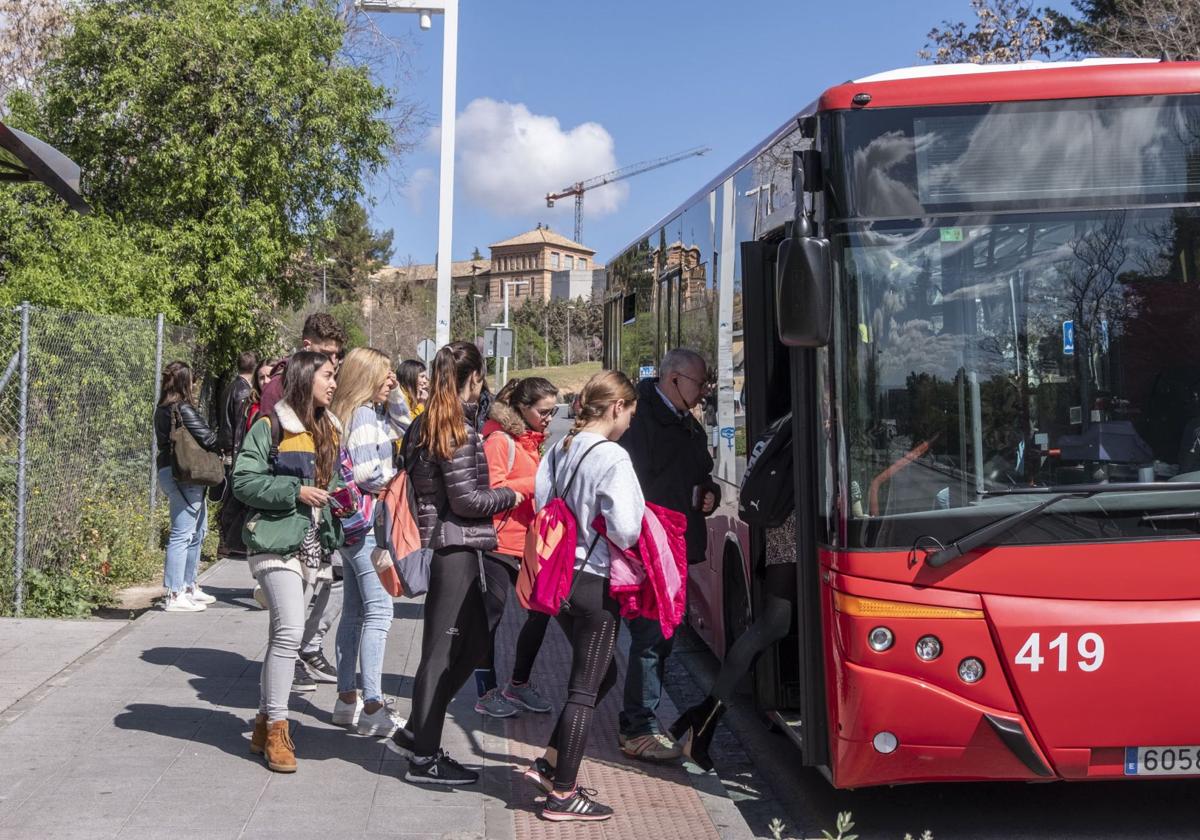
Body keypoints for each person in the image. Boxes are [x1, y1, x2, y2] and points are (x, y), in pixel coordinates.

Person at [386, 341, 521, 785]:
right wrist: (513, 495)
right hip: (453, 548)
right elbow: (466, 500)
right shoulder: (454, 430)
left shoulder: (431, 423)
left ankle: (416, 732)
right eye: (480, 379)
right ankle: (424, 757)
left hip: (454, 546)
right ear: (473, 378)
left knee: (475, 643)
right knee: (441, 653)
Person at [523, 370, 644, 822]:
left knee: (603, 673)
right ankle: (563, 795)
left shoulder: (560, 448)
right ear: (616, 407)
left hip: (559, 581)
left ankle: (552, 763)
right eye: (630, 413)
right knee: (584, 688)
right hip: (594, 583)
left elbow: (541, 506)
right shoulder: (612, 457)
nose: (630, 422)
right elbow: (627, 528)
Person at [234, 351, 346, 773]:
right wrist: (294, 492)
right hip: (273, 542)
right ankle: (278, 728)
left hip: (311, 546)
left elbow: (331, 489)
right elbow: (243, 481)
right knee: (290, 634)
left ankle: (264, 722)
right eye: (328, 376)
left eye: (334, 377)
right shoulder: (271, 424)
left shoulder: (330, 428)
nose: (333, 384)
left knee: (282, 633)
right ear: (305, 378)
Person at [617, 348, 719, 761]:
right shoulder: (641, 420)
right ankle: (637, 728)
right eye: (700, 383)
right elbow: (635, 483)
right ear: (674, 379)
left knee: (663, 636)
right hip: (650, 546)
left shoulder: (683, 419)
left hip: (675, 544)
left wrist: (709, 491)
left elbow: (700, 471)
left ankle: (641, 721)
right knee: (650, 636)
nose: (704, 392)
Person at [255, 314, 348, 690]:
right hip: (287, 519)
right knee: (289, 609)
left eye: (338, 356)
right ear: (306, 348)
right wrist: (295, 490)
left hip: (317, 514)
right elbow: (263, 460)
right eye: (328, 355)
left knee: (331, 583)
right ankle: (289, 659)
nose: (334, 363)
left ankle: (305, 647)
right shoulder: (277, 391)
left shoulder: (327, 391)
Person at [328, 348, 408, 737]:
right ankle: (373, 704)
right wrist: (396, 479)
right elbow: (368, 473)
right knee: (380, 612)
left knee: (355, 611)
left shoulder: (350, 413)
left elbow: (406, 423)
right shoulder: (362, 416)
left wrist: (393, 397)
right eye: (386, 374)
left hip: (351, 524)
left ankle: (347, 700)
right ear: (366, 377)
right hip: (367, 523)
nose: (391, 381)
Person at [473, 377, 559, 718]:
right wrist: (535, 485)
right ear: (522, 409)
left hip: (528, 541)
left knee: (541, 610)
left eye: (553, 412)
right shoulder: (499, 440)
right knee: (489, 619)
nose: (550, 418)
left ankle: (518, 684)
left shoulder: (530, 442)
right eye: (544, 411)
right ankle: (486, 692)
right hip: (498, 540)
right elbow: (490, 490)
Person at [153, 361, 220, 613]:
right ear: (184, 381)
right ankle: (175, 593)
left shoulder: (162, 409)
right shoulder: (181, 409)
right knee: (183, 534)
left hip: (170, 471)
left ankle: (188, 585)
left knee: (198, 530)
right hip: (185, 474)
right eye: (192, 379)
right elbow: (208, 438)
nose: (194, 384)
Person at [217, 351, 258, 557]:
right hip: (236, 448)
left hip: (227, 446)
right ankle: (228, 541)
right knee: (233, 498)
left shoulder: (230, 387)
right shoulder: (243, 392)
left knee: (229, 496)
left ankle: (227, 540)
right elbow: (240, 425)